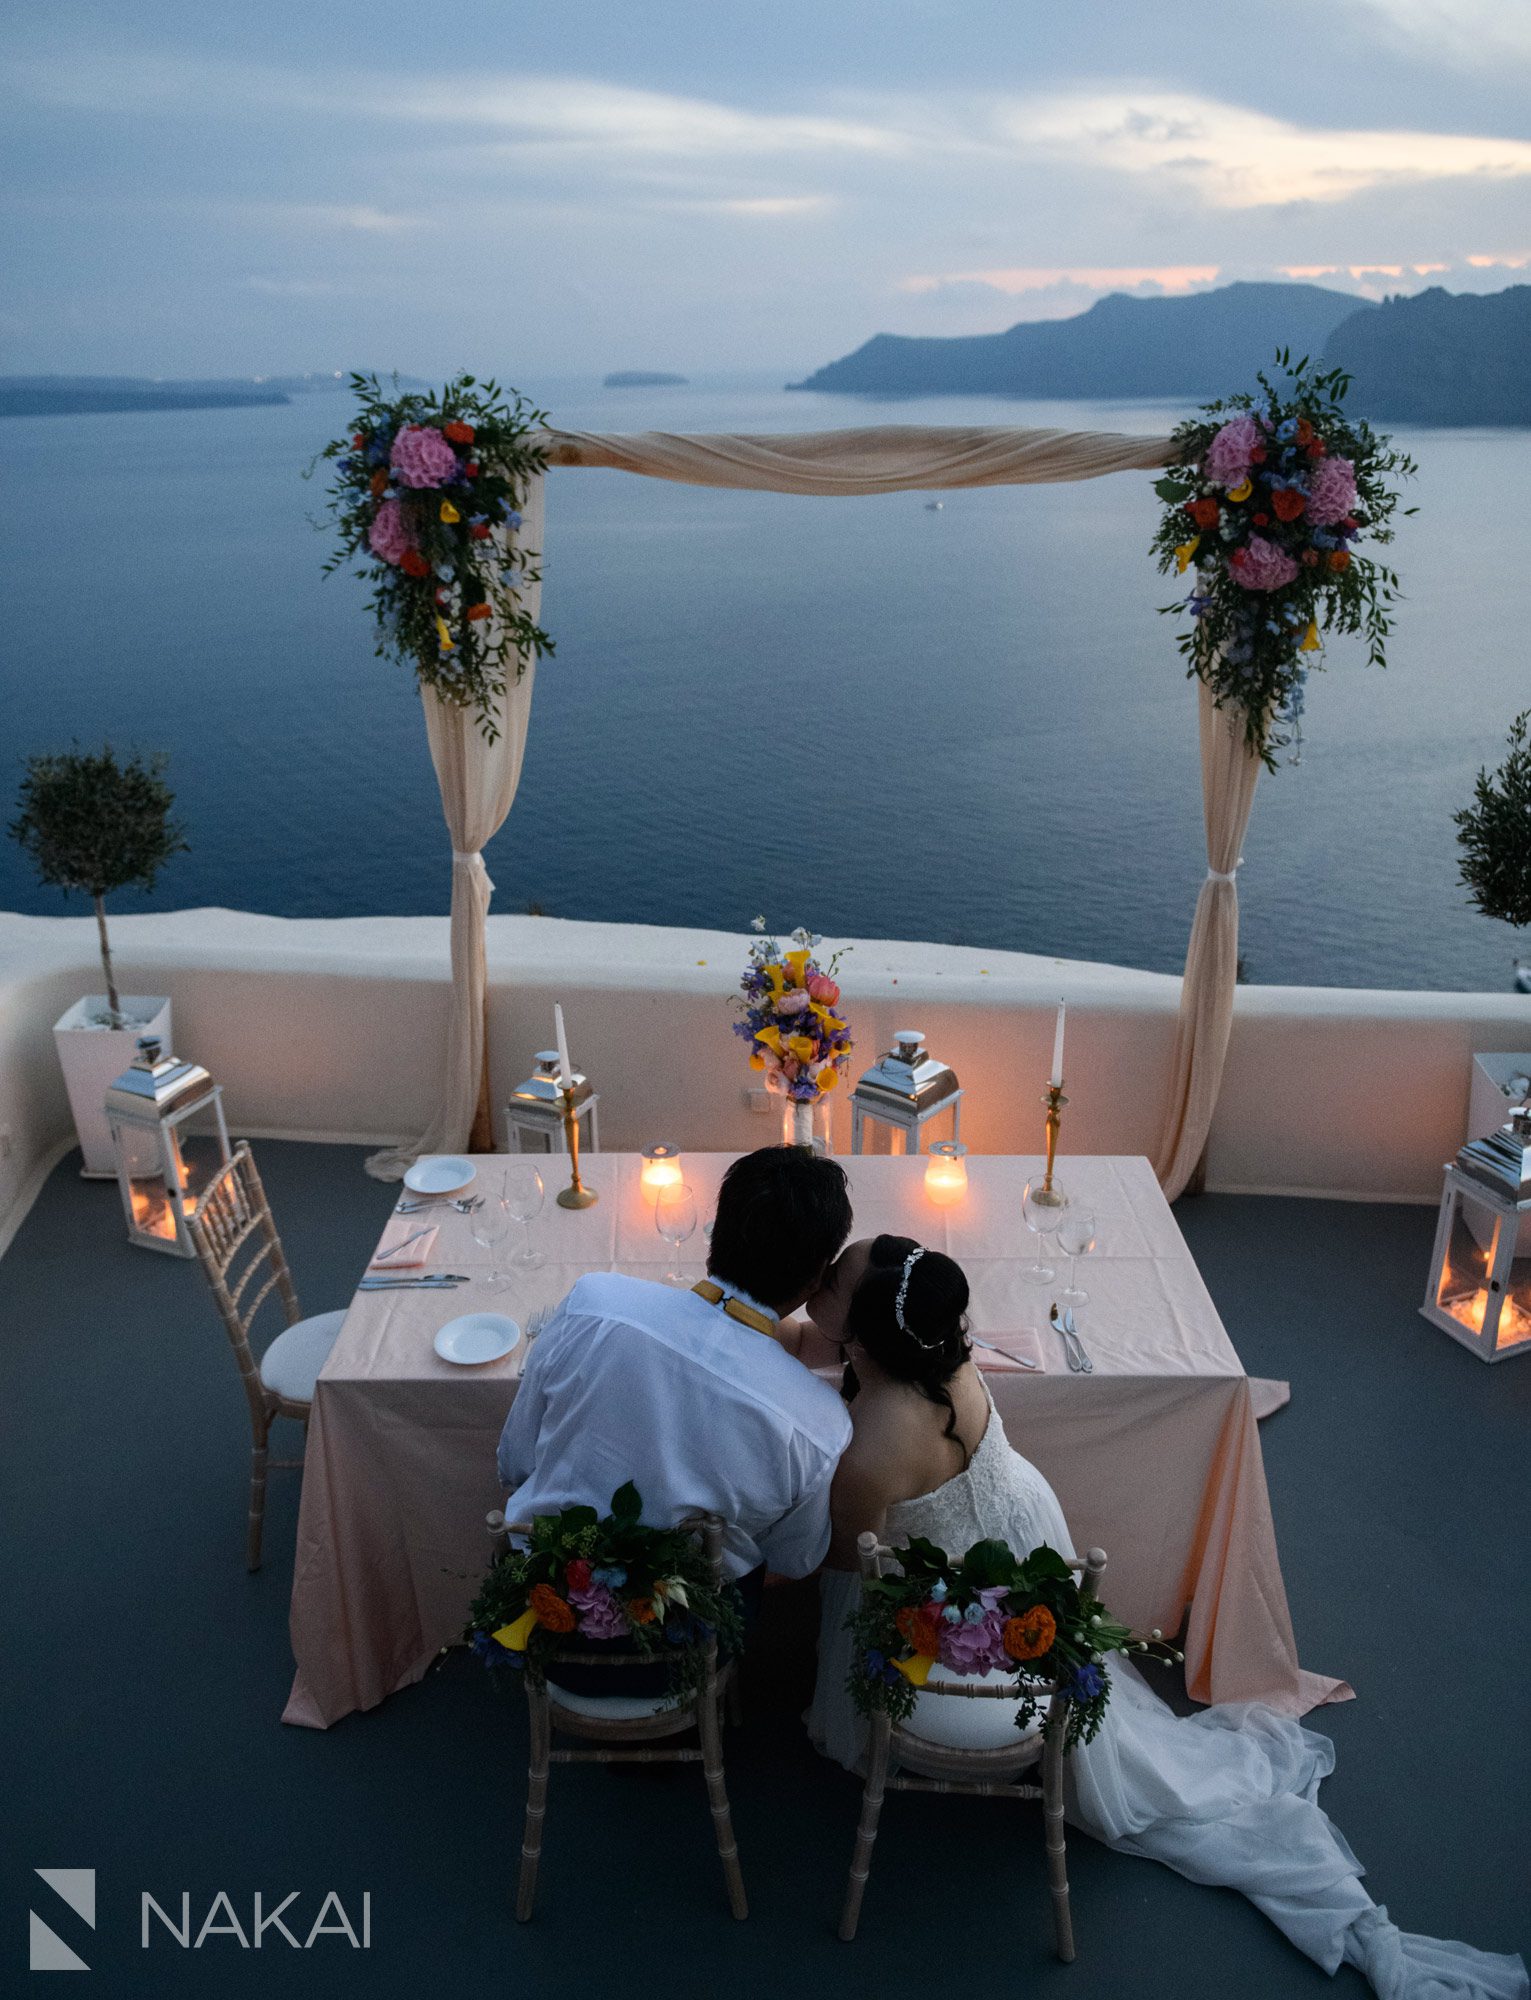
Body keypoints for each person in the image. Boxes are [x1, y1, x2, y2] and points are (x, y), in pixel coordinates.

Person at [804, 1234, 1528, 2000]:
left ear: (866, 1333)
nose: (816, 1284)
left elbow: (846, 1571)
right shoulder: (939, 1350)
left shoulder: (870, 1451)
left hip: (968, 1588)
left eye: (830, 1281)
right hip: (1024, 1529)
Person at [496, 1145, 855, 1630]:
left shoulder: (595, 1303)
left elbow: (516, 1462)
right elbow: (793, 1560)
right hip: (681, 1638)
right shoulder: (819, 1422)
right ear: (816, 1278)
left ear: (716, 1228)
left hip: (541, 1607)